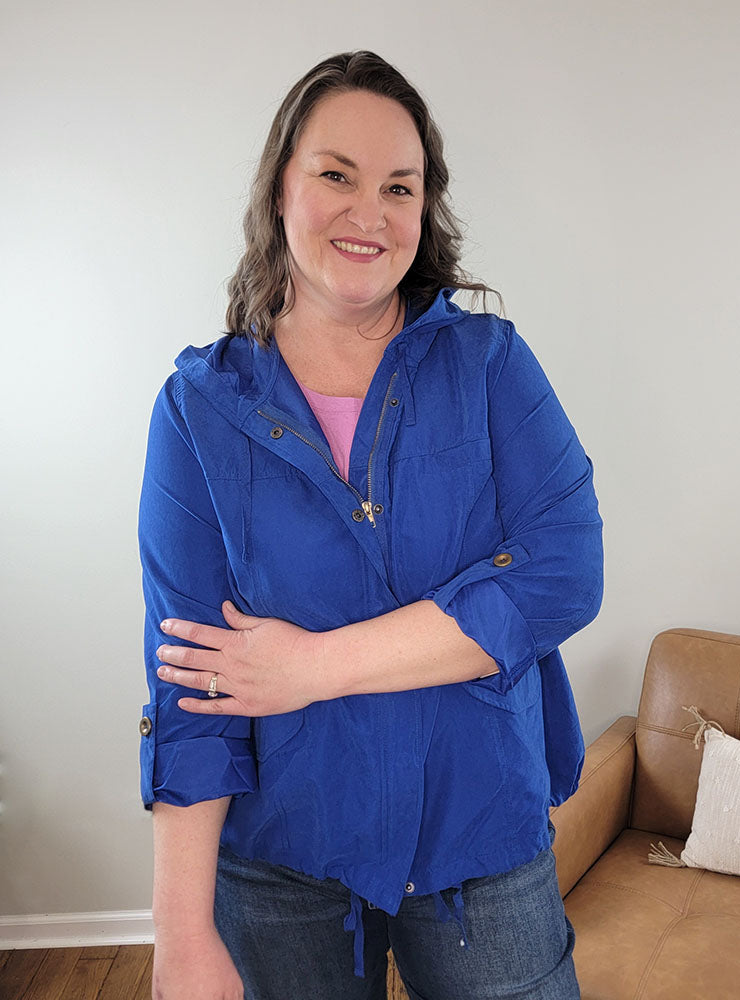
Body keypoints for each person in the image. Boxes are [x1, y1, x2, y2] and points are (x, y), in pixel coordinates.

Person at [138, 50, 603, 1000]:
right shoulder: (197, 412)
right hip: (283, 863)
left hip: (484, 844)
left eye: (400, 185)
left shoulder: (488, 365)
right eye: (336, 175)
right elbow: (191, 676)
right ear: (280, 188)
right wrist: (181, 935)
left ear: (424, 210)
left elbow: (562, 572)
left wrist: (311, 667)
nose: (370, 212)